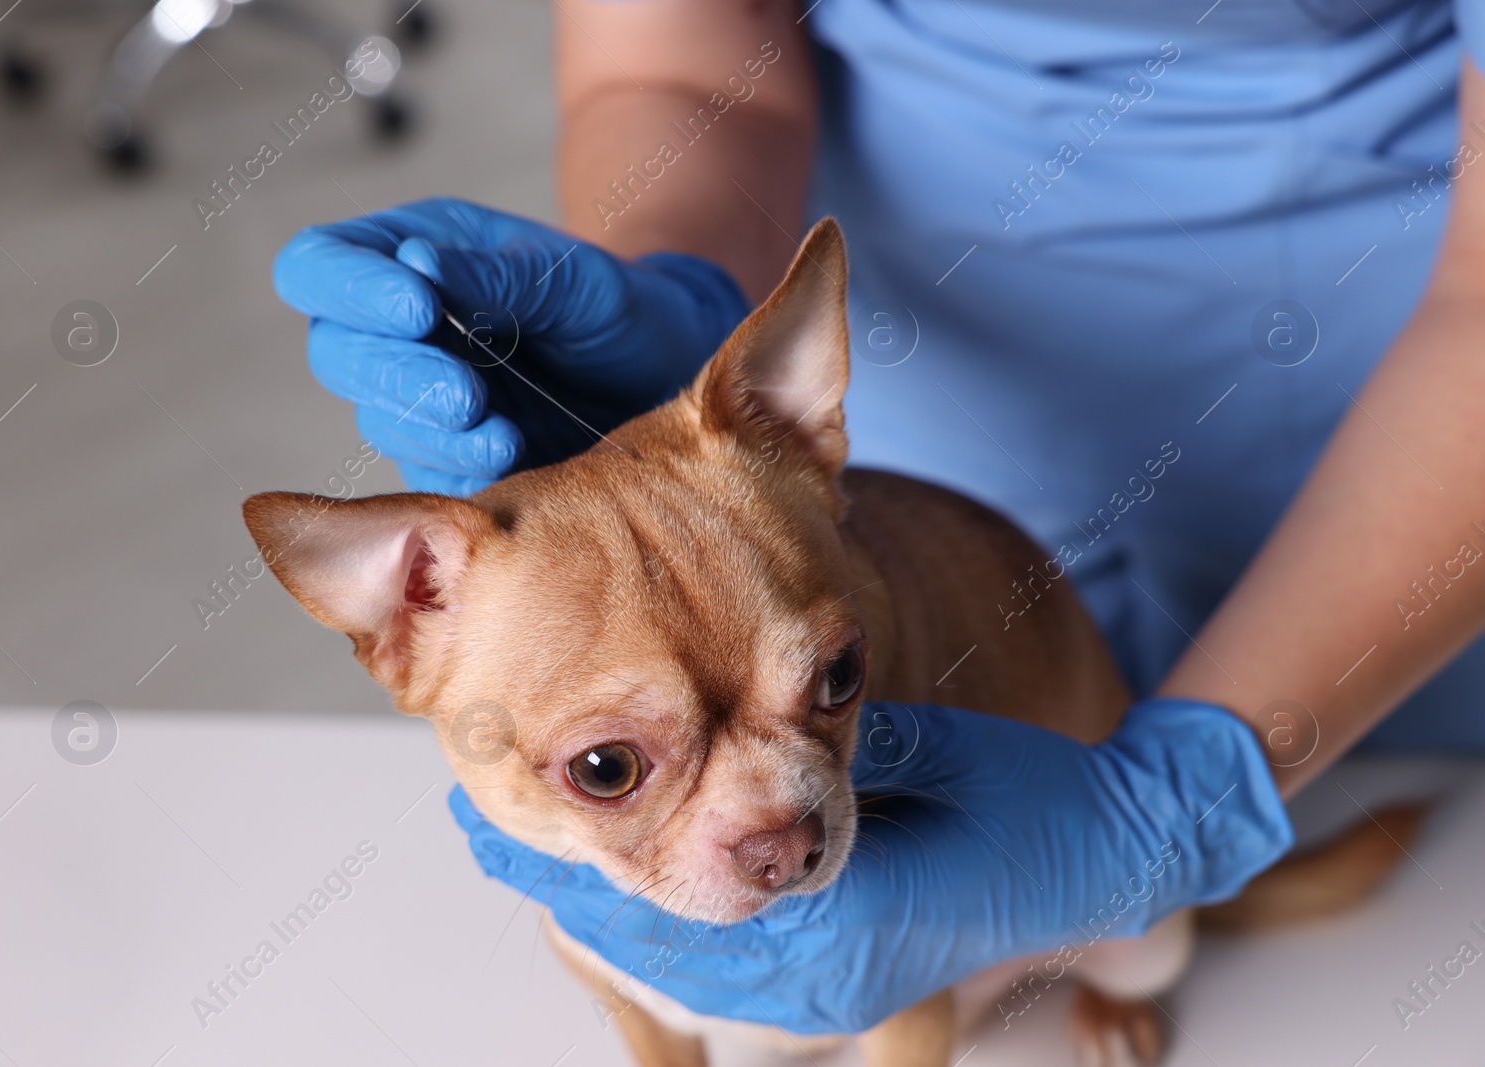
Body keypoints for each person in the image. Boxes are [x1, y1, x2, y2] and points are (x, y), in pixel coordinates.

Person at [272, 0, 1485, 1036]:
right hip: (881, 410)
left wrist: (1169, 812)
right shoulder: (760, 508)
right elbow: (677, 58)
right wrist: (676, 287)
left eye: (832, 681)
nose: (775, 828)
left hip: (1396, 433)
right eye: (609, 765)